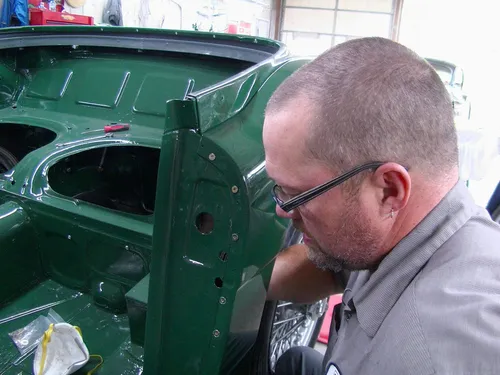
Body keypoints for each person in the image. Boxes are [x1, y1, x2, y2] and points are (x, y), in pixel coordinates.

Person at [263, 37, 500, 375]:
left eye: (297, 195)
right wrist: (239, 282)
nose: (283, 211)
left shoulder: (428, 356)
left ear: (389, 190)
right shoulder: (414, 228)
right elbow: (333, 268)